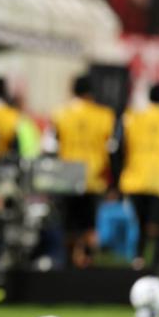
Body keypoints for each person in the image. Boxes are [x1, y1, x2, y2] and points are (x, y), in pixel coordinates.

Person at [118, 83, 159, 270]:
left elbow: (121, 148)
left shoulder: (133, 118)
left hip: (135, 179)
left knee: (139, 224)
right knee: (158, 227)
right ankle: (156, 265)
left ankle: (137, 260)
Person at [51, 74, 116, 268]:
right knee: (89, 225)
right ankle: (87, 262)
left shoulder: (60, 114)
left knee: (68, 225)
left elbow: (51, 146)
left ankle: (69, 262)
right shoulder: (105, 115)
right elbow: (112, 149)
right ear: (91, 92)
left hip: (67, 176)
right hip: (93, 177)